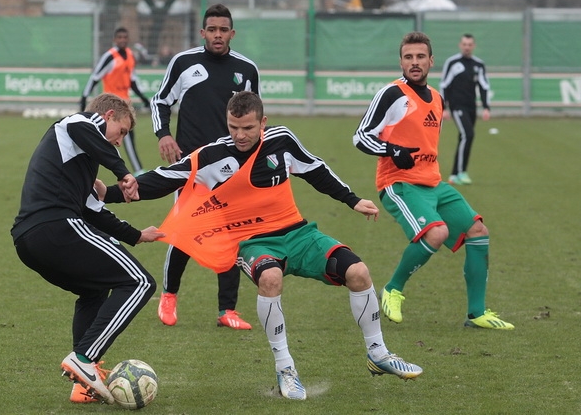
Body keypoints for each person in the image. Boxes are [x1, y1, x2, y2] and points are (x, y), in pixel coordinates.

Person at [102, 91, 423, 400]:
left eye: (248, 128)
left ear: (263, 122)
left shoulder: (281, 141)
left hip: (297, 233)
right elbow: (161, 179)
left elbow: (315, 170)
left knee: (358, 271)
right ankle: (286, 369)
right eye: (233, 127)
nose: (240, 135)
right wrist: (109, 194)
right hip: (253, 242)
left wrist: (352, 200)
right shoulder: (213, 155)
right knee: (271, 279)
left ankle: (378, 353)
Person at [352, 32, 514, 330]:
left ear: (431, 61)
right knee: (436, 233)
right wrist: (392, 150)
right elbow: (361, 136)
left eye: (420, 57)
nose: (415, 63)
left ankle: (476, 314)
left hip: (433, 183)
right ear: (400, 61)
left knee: (478, 231)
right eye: (408, 57)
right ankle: (392, 289)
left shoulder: (438, 99)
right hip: (398, 182)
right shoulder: (392, 93)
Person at [11, 93, 164, 405]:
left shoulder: (78, 161)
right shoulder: (79, 123)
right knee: (140, 282)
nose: (120, 141)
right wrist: (123, 172)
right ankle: (85, 357)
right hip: (54, 226)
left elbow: (94, 210)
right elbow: (84, 130)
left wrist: (137, 235)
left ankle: (83, 384)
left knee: (94, 291)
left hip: (29, 240)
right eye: (121, 131)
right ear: (107, 116)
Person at [150, 3, 260, 329]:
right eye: (211, 29)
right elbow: (160, 100)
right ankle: (169, 296)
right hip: (192, 166)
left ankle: (227, 310)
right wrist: (163, 135)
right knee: (183, 232)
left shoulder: (247, 70)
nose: (217, 35)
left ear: (232, 33)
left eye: (223, 30)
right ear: (202, 32)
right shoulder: (184, 62)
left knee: (231, 235)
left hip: (233, 167)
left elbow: (252, 119)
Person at [80, 27, 151, 176]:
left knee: (127, 134)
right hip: (110, 105)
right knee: (104, 137)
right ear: (114, 40)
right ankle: (135, 170)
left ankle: (137, 170)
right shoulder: (109, 57)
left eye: (125, 37)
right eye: (119, 37)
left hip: (125, 103)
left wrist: (144, 99)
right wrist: (84, 97)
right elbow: (95, 77)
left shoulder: (130, 56)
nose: (122, 40)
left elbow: (132, 81)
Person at [439, 33, 491, 185]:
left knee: (465, 137)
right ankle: (461, 172)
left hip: (471, 107)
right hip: (457, 106)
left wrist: (486, 107)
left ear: (473, 46)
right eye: (464, 44)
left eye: (469, 45)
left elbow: (483, 86)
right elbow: (444, 85)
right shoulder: (453, 62)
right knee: (468, 134)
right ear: (460, 45)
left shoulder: (478, 64)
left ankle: (455, 174)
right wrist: (444, 107)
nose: (467, 47)